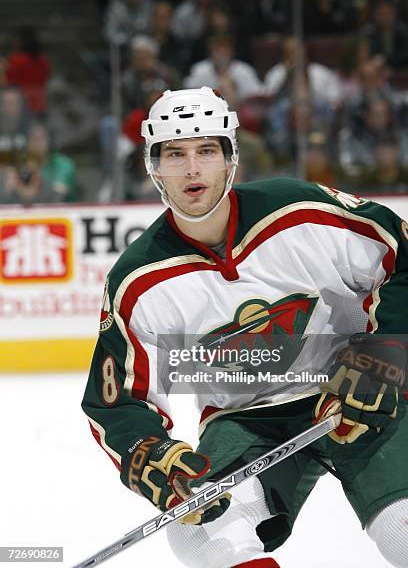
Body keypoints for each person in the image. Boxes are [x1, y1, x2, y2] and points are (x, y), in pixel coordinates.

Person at [82, 87, 408, 568]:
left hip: (357, 394)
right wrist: (151, 454)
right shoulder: (137, 279)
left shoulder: (299, 210)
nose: (192, 169)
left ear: (230, 157)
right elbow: (117, 400)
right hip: (246, 418)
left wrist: (383, 355)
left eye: (206, 151)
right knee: (201, 536)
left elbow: (400, 258)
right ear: (153, 166)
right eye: (175, 154)